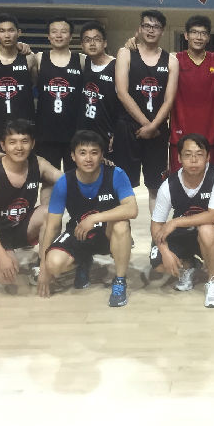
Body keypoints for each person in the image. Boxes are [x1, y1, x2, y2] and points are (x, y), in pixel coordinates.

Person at [36, 130, 137, 306]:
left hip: (107, 234)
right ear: (73, 156)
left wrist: (95, 218)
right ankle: (83, 261)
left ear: (102, 155)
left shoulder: (116, 174)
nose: (88, 158)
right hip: (79, 233)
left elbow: (132, 209)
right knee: (53, 264)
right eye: (82, 153)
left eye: (94, 153)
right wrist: (43, 268)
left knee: (121, 225)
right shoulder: (64, 182)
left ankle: (120, 280)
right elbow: (52, 226)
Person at [0, 119, 62, 289]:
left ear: (32, 143)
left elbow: (68, 181)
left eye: (24, 141)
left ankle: (41, 265)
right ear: (3, 145)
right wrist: (1, 256)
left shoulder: (38, 163)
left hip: (16, 228)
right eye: (12, 142)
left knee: (49, 212)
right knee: (6, 278)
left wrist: (101, 171)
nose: (19, 147)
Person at [149, 134, 214, 308]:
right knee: (158, 262)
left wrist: (175, 222)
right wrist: (164, 251)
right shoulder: (168, 185)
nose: (194, 160)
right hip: (185, 234)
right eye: (187, 155)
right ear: (179, 158)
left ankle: (213, 280)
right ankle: (189, 265)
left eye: (199, 154)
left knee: (206, 229)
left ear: (208, 157)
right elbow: (156, 224)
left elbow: (213, 216)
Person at [115, 10, 179, 214]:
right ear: (139, 29)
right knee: (122, 186)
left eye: (156, 27)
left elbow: (169, 99)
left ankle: (157, 232)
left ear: (162, 31)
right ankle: (120, 229)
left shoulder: (171, 60)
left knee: (156, 186)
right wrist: (147, 125)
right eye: (147, 26)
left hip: (158, 130)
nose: (151, 30)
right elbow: (122, 92)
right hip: (129, 128)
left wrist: (153, 126)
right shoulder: (125, 53)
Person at [169, 15, 214, 170]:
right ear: (186, 35)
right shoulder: (174, 59)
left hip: (210, 137)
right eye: (194, 32)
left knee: (209, 182)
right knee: (179, 181)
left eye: (203, 33)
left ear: (208, 37)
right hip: (180, 136)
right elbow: (151, 55)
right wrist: (133, 46)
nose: (198, 37)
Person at [35, 16, 84, 170]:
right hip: (46, 132)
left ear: (71, 36)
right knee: (48, 178)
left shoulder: (81, 60)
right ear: (48, 36)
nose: (58, 35)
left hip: (74, 132)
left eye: (63, 31)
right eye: (54, 31)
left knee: (75, 177)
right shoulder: (38, 58)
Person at [0, 13, 36, 154]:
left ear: (19, 32)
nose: (7, 35)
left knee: (26, 163)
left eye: (11, 30)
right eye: (2, 31)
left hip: (24, 122)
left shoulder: (30, 58)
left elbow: (36, 82)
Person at [77, 20, 119, 157]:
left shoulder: (116, 66)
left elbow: (124, 104)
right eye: (87, 40)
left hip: (108, 135)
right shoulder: (84, 63)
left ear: (105, 43)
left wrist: (117, 133)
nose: (92, 43)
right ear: (82, 45)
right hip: (85, 134)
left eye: (97, 39)